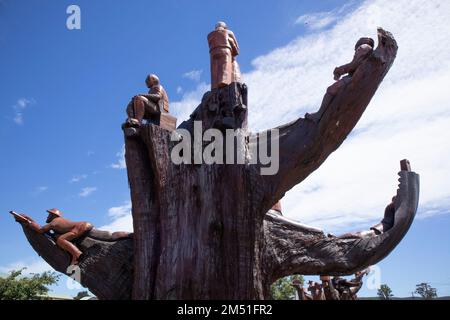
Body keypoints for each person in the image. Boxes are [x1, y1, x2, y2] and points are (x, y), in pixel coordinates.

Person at [306, 37, 375, 123]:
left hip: (355, 78)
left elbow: (354, 65)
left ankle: (319, 115)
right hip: (359, 78)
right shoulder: (369, 51)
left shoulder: (364, 47)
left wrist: (340, 70)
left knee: (331, 89)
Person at [16, 209, 94, 265]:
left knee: (61, 240)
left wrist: (29, 221)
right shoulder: (60, 221)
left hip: (81, 227)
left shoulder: (55, 221)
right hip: (84, 225)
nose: (47, 217)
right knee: (59, 237)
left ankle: (77, 254)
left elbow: (41, 230)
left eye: (49, 215)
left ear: (54, 215)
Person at [208, 21, 241, 89]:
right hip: (225, 49)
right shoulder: (229, 32)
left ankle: (214, 85)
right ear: (225, 27)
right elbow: (236, 48)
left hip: (213, 52)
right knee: (225, 66)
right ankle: (224, 81)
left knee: (214, 69)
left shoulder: (209, 35)